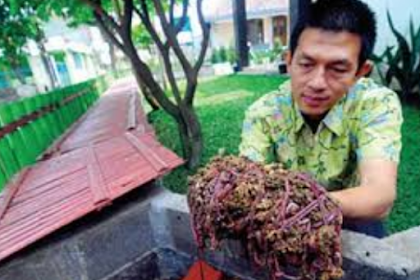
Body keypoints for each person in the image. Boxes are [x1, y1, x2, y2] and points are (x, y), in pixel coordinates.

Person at [239, 0, 403, 238]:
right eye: (306, 64)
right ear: (289, 60)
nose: (317, 83)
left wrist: (301, 207)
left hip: (353, 214)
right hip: (283, 217)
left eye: (337, 68)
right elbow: (247, 184)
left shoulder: (376, 104)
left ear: (360, 72)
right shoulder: (263, 113)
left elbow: (379, 195)